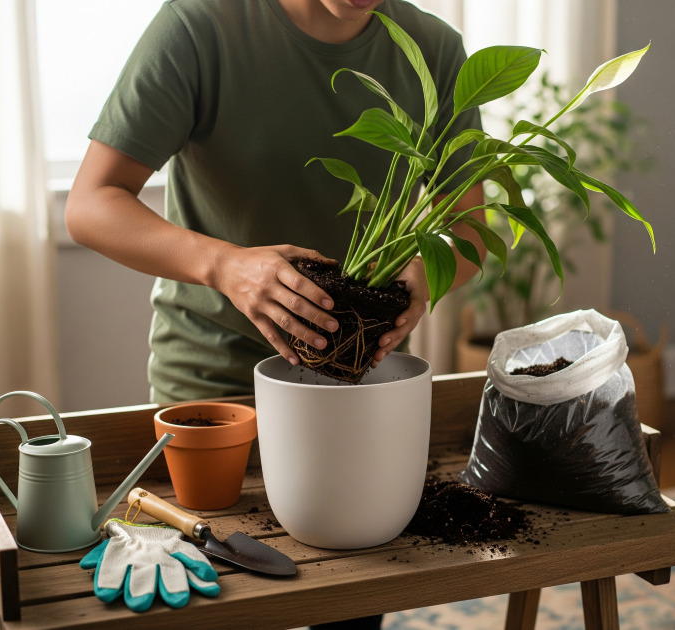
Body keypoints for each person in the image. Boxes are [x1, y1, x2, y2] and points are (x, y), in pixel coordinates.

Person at [66, 1, 484, 627]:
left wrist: (427, 275)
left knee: (350, 600)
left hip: (349, 384)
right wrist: (224, 266)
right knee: (214, 604)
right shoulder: (201, 25)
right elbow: (91, 204)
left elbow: (469, 228)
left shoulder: (434, 49)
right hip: (214, 387)